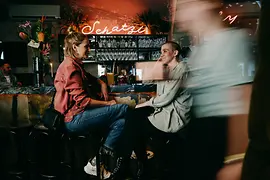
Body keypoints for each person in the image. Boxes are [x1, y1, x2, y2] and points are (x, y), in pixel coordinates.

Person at [175, 0, 253, 180]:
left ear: (206, 5)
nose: (179, 15)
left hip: (218, 136)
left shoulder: (232, 40)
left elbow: (243, 99)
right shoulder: (202, 45)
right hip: (200, 133)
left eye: (186, 6)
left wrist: (236, 161)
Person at [53, 32, 129, 179]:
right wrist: (107, 103)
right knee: (123, 108)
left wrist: (101, 83)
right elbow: (83, 101)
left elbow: (88, 77)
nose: (89, 49)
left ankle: (96, 162)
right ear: (75, 47)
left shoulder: (74, 64)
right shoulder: (70, 67)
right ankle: (131, 152)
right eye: (86, 47)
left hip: (78, 115)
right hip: (73, 119)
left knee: (121, 122)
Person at [121, 41, 192, 179]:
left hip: (174, 115)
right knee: (131, 118)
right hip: (164, 110)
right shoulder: (166, 69)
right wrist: (157, 66)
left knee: (134, 122)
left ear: (175, 53)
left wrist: (145, 104)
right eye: (161, 51)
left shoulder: (182, 69)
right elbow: (147, 82)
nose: (162, 54)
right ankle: (138, 163)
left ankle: (134, 164)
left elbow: (167, 98)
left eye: (165, 51)